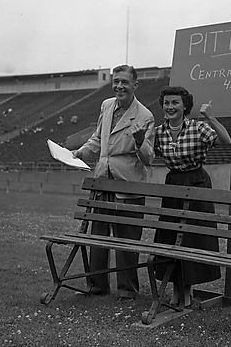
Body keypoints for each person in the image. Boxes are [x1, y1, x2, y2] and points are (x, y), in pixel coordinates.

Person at [72, 64, 155, 301]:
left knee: (127, 240)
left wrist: (140, 141)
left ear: (135, 85)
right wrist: (81, 152)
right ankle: (97, 286)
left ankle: (127, 290)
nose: (119, 86)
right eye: (116, 81)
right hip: (103, 179)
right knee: (98, 237)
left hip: (128, 184)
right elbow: (99, 139)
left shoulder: (145, 115)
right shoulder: (107, 105)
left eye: (125, 82)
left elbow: (149, 158)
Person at [153, 86, 231, 307]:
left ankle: (187, 292)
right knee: (171, 237)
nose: (170, 107)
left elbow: (226, 140)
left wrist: (210, 117)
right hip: (174, 184)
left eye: (175, 103)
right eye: (167, 103)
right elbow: (148, 155)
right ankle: (177, 290)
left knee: (192, 238)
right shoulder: (159, 132)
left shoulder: (198, 127)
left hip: (196, 183)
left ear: (185, 106)